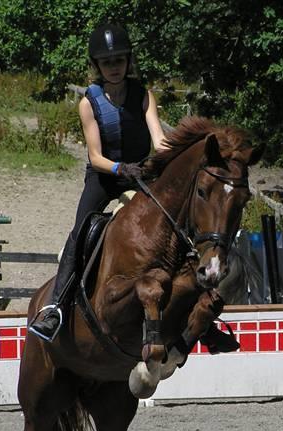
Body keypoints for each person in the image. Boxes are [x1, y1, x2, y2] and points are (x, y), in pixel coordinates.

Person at [29, 22, 239, 355]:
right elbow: (95, 156)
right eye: (107, 62)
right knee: (80, 233)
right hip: (104, 177)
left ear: (128, 62)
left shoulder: (143, 95)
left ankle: (203, 321)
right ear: (97, 65)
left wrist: (178, 158)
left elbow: (160, 140)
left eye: (119, 61)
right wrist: (119, 167)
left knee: (178, 230)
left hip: (141, 174)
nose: (114, 67)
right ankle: (55, 307)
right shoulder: (89, 102)